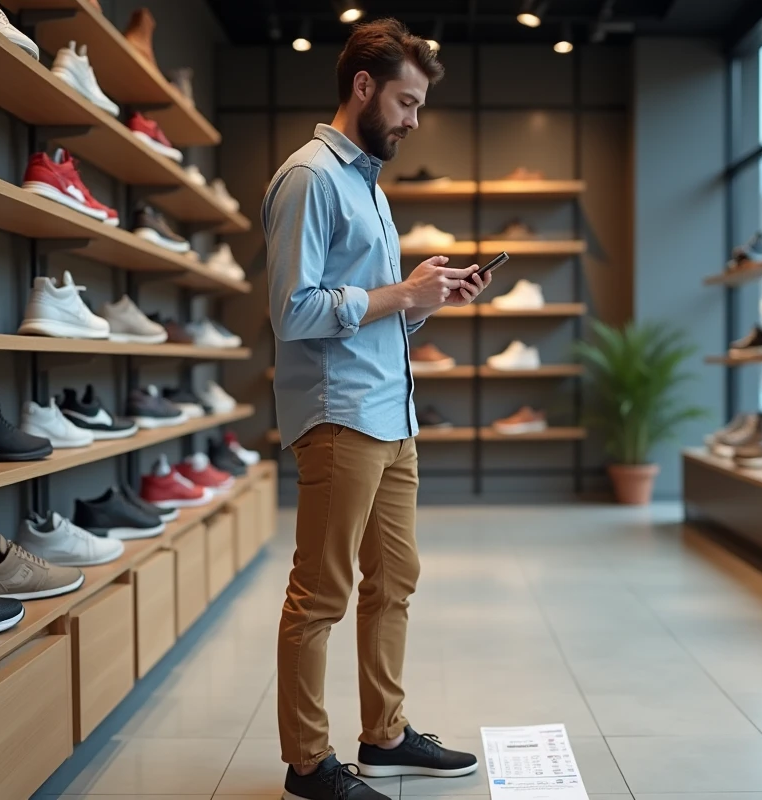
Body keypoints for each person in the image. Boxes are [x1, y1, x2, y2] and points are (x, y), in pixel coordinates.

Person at [263, 17, 491, 800]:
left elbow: (371, 308)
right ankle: (308, 765)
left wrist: (426, 297)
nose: (413, 120)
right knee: (320, 594)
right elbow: (292, 311)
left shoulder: (363, 180)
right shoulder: (310, 178)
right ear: (363, 86)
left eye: (419, 105)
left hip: (392, 416)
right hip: (339, 416)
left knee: (394, 580)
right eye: (405, 101)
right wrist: (399, 292)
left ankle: (385, 735)